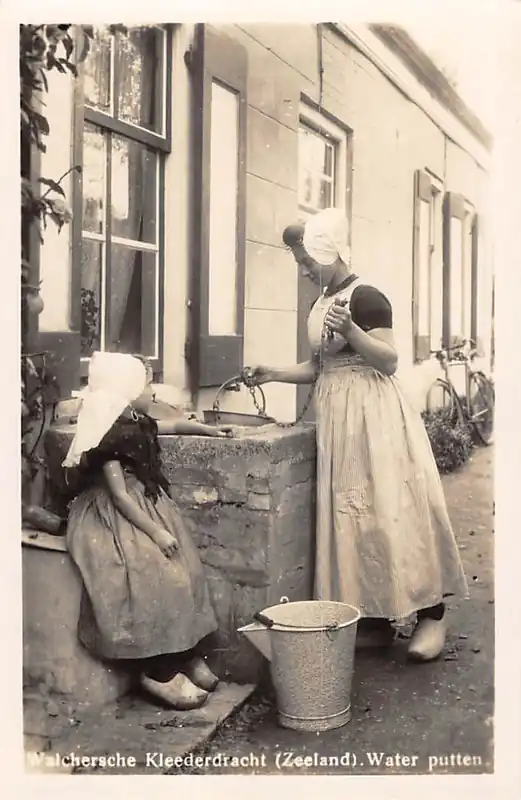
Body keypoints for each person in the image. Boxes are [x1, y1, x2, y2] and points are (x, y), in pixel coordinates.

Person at [249, 207, 469, 662]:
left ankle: (431, 614)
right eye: (300, 262)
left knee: (391, 508)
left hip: (375, 416)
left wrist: (351, 328)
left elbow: (388, 360)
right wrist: (272, 373)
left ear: (329, 253)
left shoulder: (366, 297)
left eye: (307, 261)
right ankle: (373, 619)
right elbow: (320, 367)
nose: (303, 270)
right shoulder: (320, 303)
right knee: (355, 515)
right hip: (339, 420)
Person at [62, 351, 233, 708]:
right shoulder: (109, 436)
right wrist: (156, 532)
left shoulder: (137, 421)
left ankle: (184, 654)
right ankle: (159, 672)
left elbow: (170, 427)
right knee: (151, 576)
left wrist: (205, 429)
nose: (151, 392)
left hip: (145, 504)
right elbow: (120, 497)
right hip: (112, 515)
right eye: (145, 386)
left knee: (186, 573)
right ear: (124, 393)